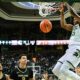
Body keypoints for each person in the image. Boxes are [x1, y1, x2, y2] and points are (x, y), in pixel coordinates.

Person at [52, 3, 80, 80]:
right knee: (56, 70)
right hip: (70, 50)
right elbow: (63, 25)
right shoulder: (74, 27)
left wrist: (66, 3)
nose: (74, 19)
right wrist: (61, 12)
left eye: (75, 18)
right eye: (74, 19)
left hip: (77, 49)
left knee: (64, 70)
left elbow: (73, 13)